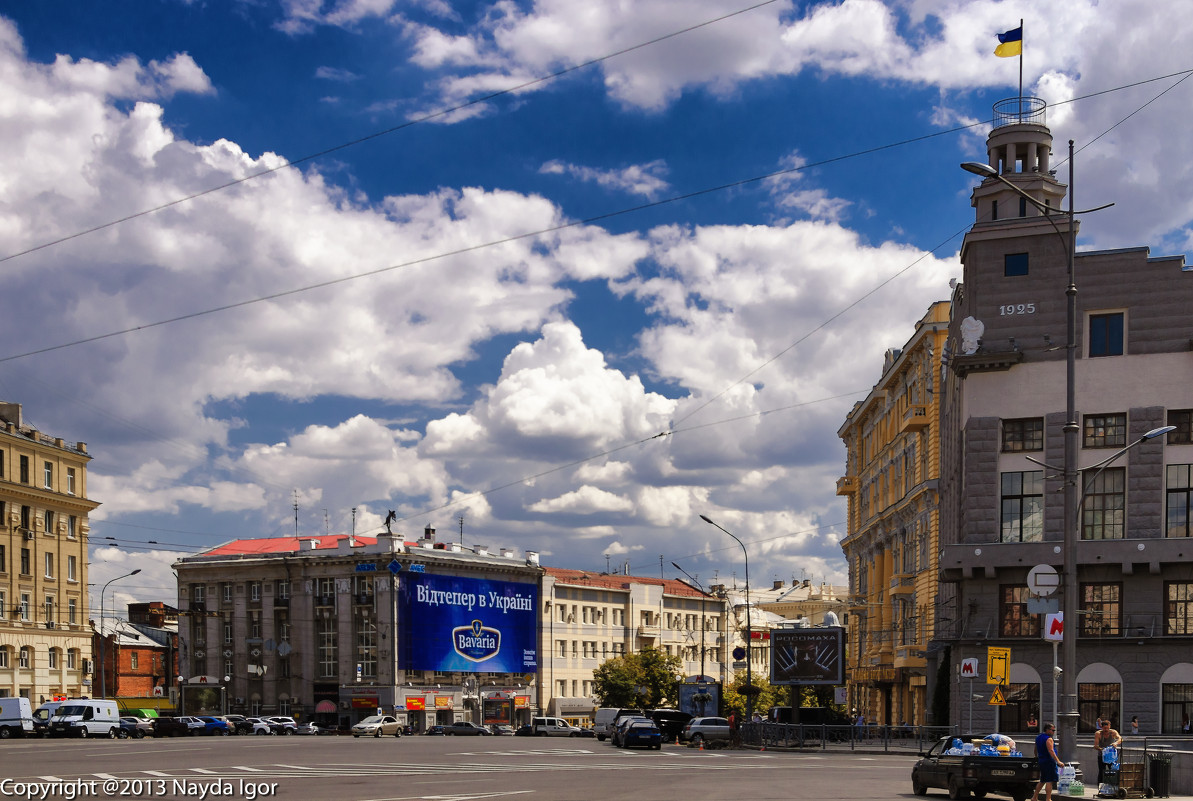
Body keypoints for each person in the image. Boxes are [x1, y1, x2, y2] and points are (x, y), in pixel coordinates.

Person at [1031, 723, 1065, 801]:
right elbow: (1051, 751)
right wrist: (1058, 761)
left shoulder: (1038, 737)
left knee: (1042, 780)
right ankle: (1048, 799)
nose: (1054, 732)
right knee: (1049, 780)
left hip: (1041, 760)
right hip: (1049, 761)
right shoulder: (1048, 739)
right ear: (1047, 730)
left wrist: (1036, 756)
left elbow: (1035, 749)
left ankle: (1034, 797)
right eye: (1052, 730)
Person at [1094, 719, 1123, 787]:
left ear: (1110, 726)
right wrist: (1102, 749)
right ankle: (1100, 786)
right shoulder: (1098, 733)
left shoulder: (1113, 732)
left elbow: (1120, 739)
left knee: (1113, 770)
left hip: (1111, 756)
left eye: (1107, 728)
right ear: (1102, 727)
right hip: (1102, 755)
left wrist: (1116, 743)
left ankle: (1113, 785)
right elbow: (1095, 746)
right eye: (1104, 728)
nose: (1106, 730)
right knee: (1101, 771)